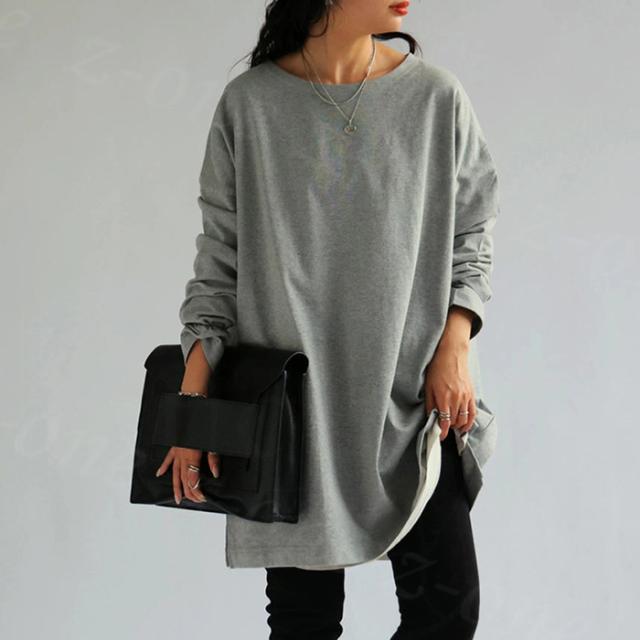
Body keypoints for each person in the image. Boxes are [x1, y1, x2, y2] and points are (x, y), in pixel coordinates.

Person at [155, 0, 501, 637]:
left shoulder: (435, 97)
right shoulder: (250, 106)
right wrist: (194, 406)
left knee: (446, 616)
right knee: (302, 625)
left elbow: (472, 233)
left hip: (413, 401)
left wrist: (456, 345)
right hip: (293, 415)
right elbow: (219, 264)